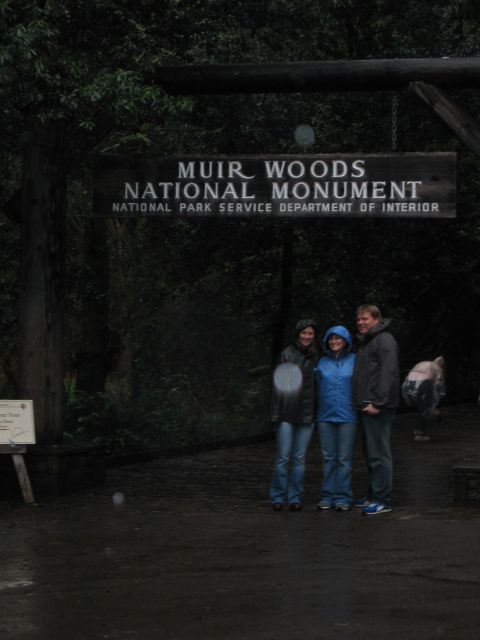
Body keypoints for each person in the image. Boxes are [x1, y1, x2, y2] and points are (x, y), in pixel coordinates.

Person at [352, 304, 399, 516]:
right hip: (366, 405)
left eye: (365, 319)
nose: (361, 323)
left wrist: (378, 403)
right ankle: (373, 494)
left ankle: (382, 500)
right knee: (371, 453)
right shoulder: (368, 342)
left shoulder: (384, 340)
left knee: (379, 454)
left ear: (377, 320)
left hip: (378, 406)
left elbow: (389, 372)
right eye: (359, 319)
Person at [270, 319, 318, 511]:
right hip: (286, 413)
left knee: (299, 458)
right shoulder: (286, 354)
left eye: (310, 333)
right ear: (298, 334)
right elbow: (277, 387)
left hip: (307, 414)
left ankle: (295, 497)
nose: (307, 336)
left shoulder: (317, 355)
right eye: (304, 333)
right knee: (283, 456)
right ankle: (277, 496)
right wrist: (275, 414)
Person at [315, 325, 357, 511]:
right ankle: (327, 496)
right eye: (331, 338)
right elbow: (316, 386)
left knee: (344, 459)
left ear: (346, 341)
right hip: (325, 415)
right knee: (328, 457)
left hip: (348, 415)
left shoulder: (354, 360)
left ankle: (343, 497)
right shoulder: (322, 362)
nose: (334, 341)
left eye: (338, 338)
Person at [402, 356, 445, 442]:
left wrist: (407, 395)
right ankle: (419, 433)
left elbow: (408, 378)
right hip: (423, 384)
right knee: (424, 408)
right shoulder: (437, 369)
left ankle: (420, 429)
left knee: (422, 407)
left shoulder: (423, 363)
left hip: (410, 383)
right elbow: (438, 386)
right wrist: (434, 401)